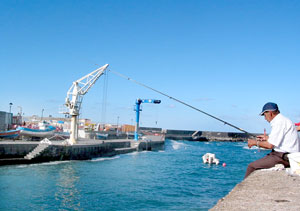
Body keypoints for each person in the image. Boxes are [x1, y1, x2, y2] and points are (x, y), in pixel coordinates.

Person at [244, 102, 300, 179]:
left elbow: (270, 145)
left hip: (283, 157)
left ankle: (247, 190)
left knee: (252, 166)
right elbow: (281, 139)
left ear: (270, 113)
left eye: (264, 115)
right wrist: (267, 138)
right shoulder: (283, 120)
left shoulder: (278, 122)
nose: (265, 118)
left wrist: (254, 142)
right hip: (288, 155)